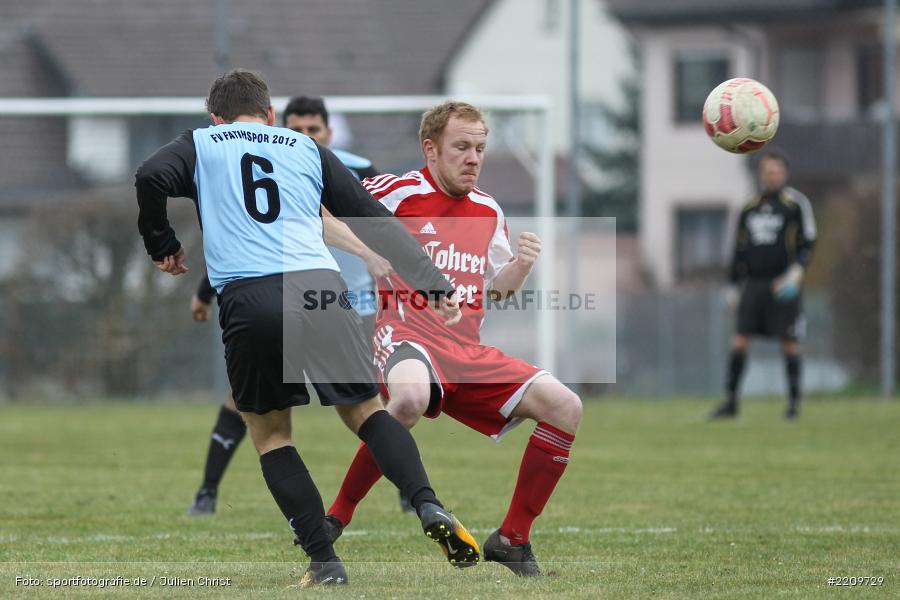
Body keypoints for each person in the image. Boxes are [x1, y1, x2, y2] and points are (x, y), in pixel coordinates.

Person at [135, 70, 479, 588]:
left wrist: (161, 243)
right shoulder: (304, 147)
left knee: (272, 434)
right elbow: (370, 216)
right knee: (367, 412)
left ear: (216, 118)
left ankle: (325, 563)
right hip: (321, 288)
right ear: (271, 114)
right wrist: (431, 283)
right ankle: (427, 502)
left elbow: (149, 176)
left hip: (251, 297)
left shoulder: (201, 143)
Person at [322, 101, 583, 577]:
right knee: (409, 399)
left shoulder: (488, 209)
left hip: (465, 351)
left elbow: (497, 290)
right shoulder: (395, 192)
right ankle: (336, 517)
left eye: (480, 148)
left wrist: (522, 266)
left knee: (566, 407)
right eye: (461, 147)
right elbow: (324, 210)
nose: (473, 158)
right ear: (431, 149)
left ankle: (513, 539)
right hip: (405, 333)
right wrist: (366, 253)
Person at [184, 96, 391, 517]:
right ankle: (207, 492)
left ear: (328, 133)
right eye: (296, 130)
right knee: (245, 400)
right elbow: (242, 239)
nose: (304, 136)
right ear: (281, 129)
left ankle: (408, 493)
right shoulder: (272, 166)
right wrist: (206, 292)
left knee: (378, 404)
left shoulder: (360, 170)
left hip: (355, 304)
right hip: (289, 296)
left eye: (313, 130)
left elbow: (384, 226)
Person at [710, 150, 816, 420]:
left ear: (785, 174)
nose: (772, 176)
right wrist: (732, 286)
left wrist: (796, 272)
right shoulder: (748, 207)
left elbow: (808, 241)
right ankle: (730, 403)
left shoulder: (795, 205)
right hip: (753, 283)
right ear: (761, 174)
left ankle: (793, 406)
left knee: (789, 342)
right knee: (739, 341)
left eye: (777, 171)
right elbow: (738, 249)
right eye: (768, 171)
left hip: (783, 283)